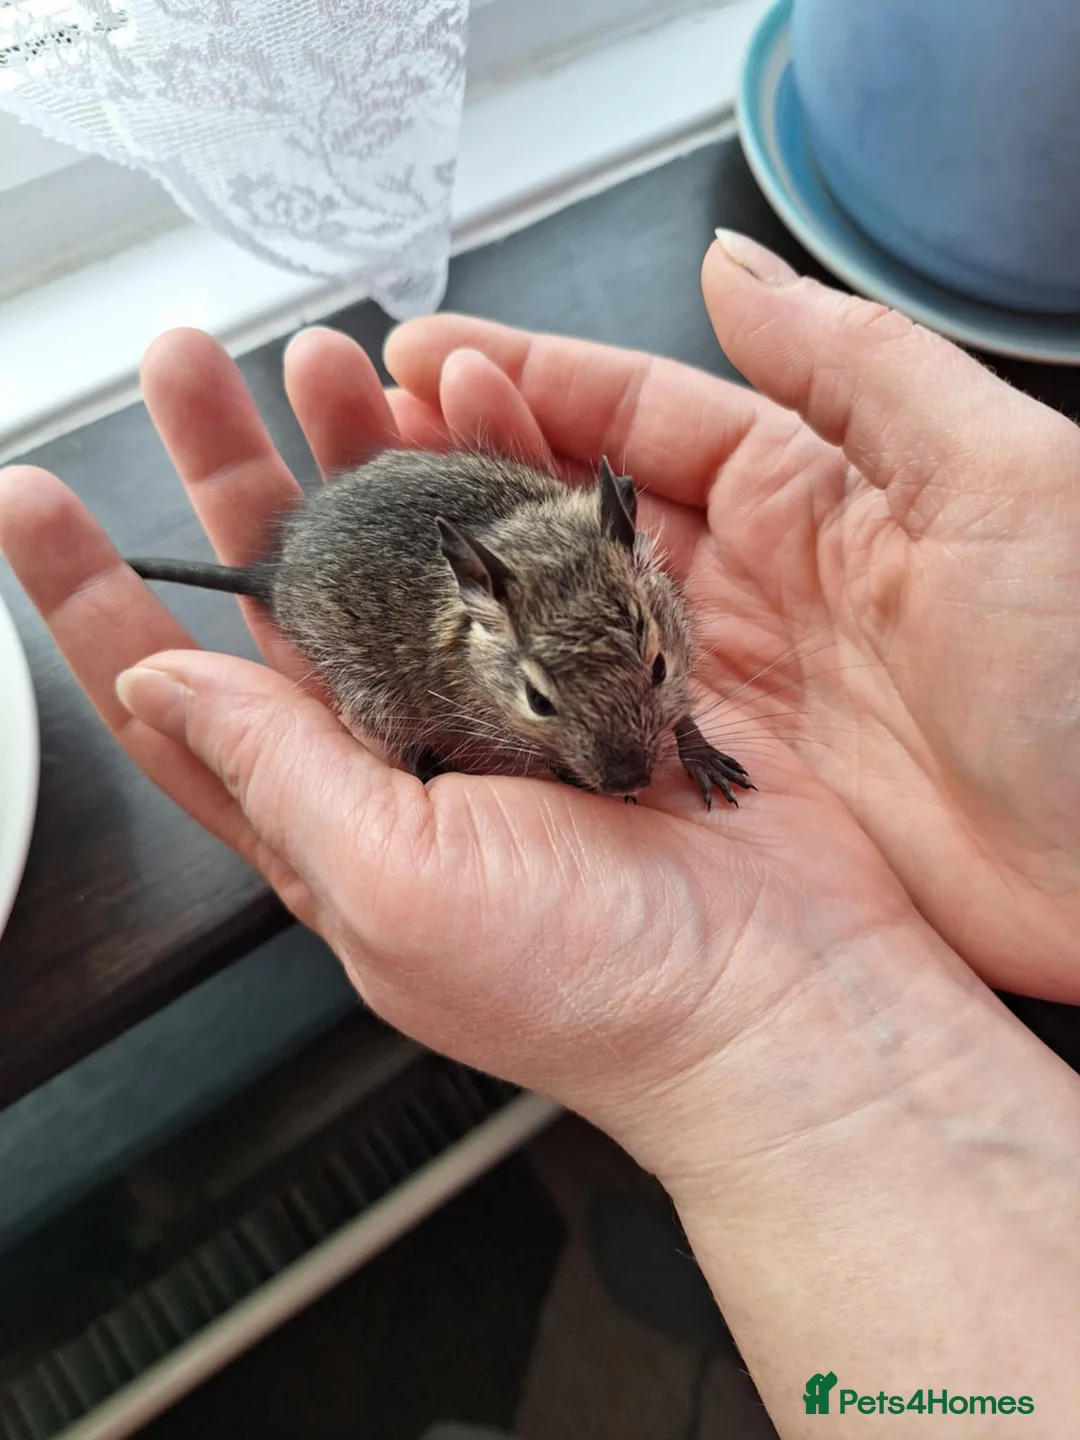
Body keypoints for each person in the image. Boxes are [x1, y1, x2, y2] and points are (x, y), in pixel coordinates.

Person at [2, 230, 1080, 1435]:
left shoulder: (636, 586)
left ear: (639, 566)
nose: (622, 770)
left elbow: (632, 701)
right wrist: (438, 749)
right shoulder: (461, 658)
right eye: (550, 713)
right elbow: (524, 712)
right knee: (387, 705)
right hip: (365, 596)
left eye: (660, 673)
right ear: (485, 631)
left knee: (613, 703)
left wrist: (687, 739)